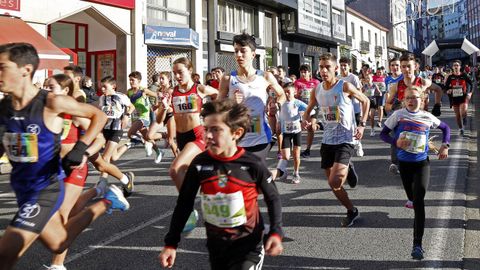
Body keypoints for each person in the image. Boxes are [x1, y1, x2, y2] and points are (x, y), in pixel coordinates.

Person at [0, 42, 129, 270]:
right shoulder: (4, 108)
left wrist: (80, 149)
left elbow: (98, 115)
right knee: (58, 242)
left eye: (2, 67)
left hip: (44, 190)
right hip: (22, 189)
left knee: (4, 257)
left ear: (25, 70)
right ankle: (108, 199)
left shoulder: (51, 102)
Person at [158, 99, 283, 269]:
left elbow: (273, 198)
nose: (208, 135)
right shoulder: (199, 163)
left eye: (216, 130)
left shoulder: (253, 164)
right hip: (217, 247)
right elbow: (184, 203)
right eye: (206, 129)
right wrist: (171, 244)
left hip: (248, 246)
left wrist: (276, 232)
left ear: (236, 133)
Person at [380, 86, 450, 260]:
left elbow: (446, 128)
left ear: (423, 99)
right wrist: (396, 142)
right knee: (411, 196)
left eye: (415, 97)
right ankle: (410, 199)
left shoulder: (426, 116)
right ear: (404, 100)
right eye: (408, 98)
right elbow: (383, 134)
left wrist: (445, 145)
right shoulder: (398, 115)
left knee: (419, 201)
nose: (412, 100)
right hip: (404, 164)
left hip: (421, 164)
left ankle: (417, 244)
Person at [303, 53, 369, 227]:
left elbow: (366, 101)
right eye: (321, 67)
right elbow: (310, 108)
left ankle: (347, 167)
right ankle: (351, 210)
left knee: (334, 180)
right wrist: (305, 119)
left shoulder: (344, 86)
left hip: (346, 138)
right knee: (333, 185)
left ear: (335, 69)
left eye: (328, 67)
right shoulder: (316, 89)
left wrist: (361, 125)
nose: (324, 70)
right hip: (327, 140)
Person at [219, 32, 285, 166]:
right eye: (236, 51)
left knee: (251, 171)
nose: (238, 55)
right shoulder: (228, 79)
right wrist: (231, 103)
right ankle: (278, 172)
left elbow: (282, 94)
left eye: (243, 51)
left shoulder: (265, 77)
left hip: (260, 138)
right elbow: (218, 106)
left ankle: (274, 174)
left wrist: (276, 105)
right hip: (236, 137)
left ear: (253, 54)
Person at [276, 83, 307, 184]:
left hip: (296, 131)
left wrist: (304, 117)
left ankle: (296, 173)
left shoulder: (297, 103)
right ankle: (283, 171)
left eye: (288, 92)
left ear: (294, 92)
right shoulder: (281, 103)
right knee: (285, 156)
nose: (286, 94)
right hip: (286, 132)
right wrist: (278, 122)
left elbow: (310, 110)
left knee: (296, 154)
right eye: (284, 92)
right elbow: (279, 115)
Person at [338, 57, 364, 157]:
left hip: (355, 107)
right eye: (341, 65)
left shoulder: (353, 78)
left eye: (345, 65)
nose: (343, 67)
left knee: (356, 128)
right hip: (344, 109)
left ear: (349, 66)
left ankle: (359, 145)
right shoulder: (338, 78)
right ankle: (346, 147)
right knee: (345, 128)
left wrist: (349, 95)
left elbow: (359, 92)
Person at [294, 64, 320, 158]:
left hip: (314, 107)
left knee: (310, 128)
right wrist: (297, 94)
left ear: (309, 72)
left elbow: (320, 94)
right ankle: (297, 148)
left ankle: (308, 149)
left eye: (305, 72)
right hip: (302, 108)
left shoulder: (316, 82)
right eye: (301, 72)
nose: (303, 74)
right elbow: (295, 96)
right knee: (300, 128)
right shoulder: (297, 82)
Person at [444, 60, 473, 136]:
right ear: (453, 67)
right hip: (455, 97)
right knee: (457, 116)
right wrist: (448, 90)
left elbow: (471, 84)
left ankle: (465, 116)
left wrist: (470, 93)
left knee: (463, 110)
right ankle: (461, 129)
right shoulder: (450, 77)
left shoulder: (464, 75)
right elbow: (446, 87)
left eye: (457, 65)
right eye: (454, 65)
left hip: (463, 96)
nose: (456, 66)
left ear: (460, 67)